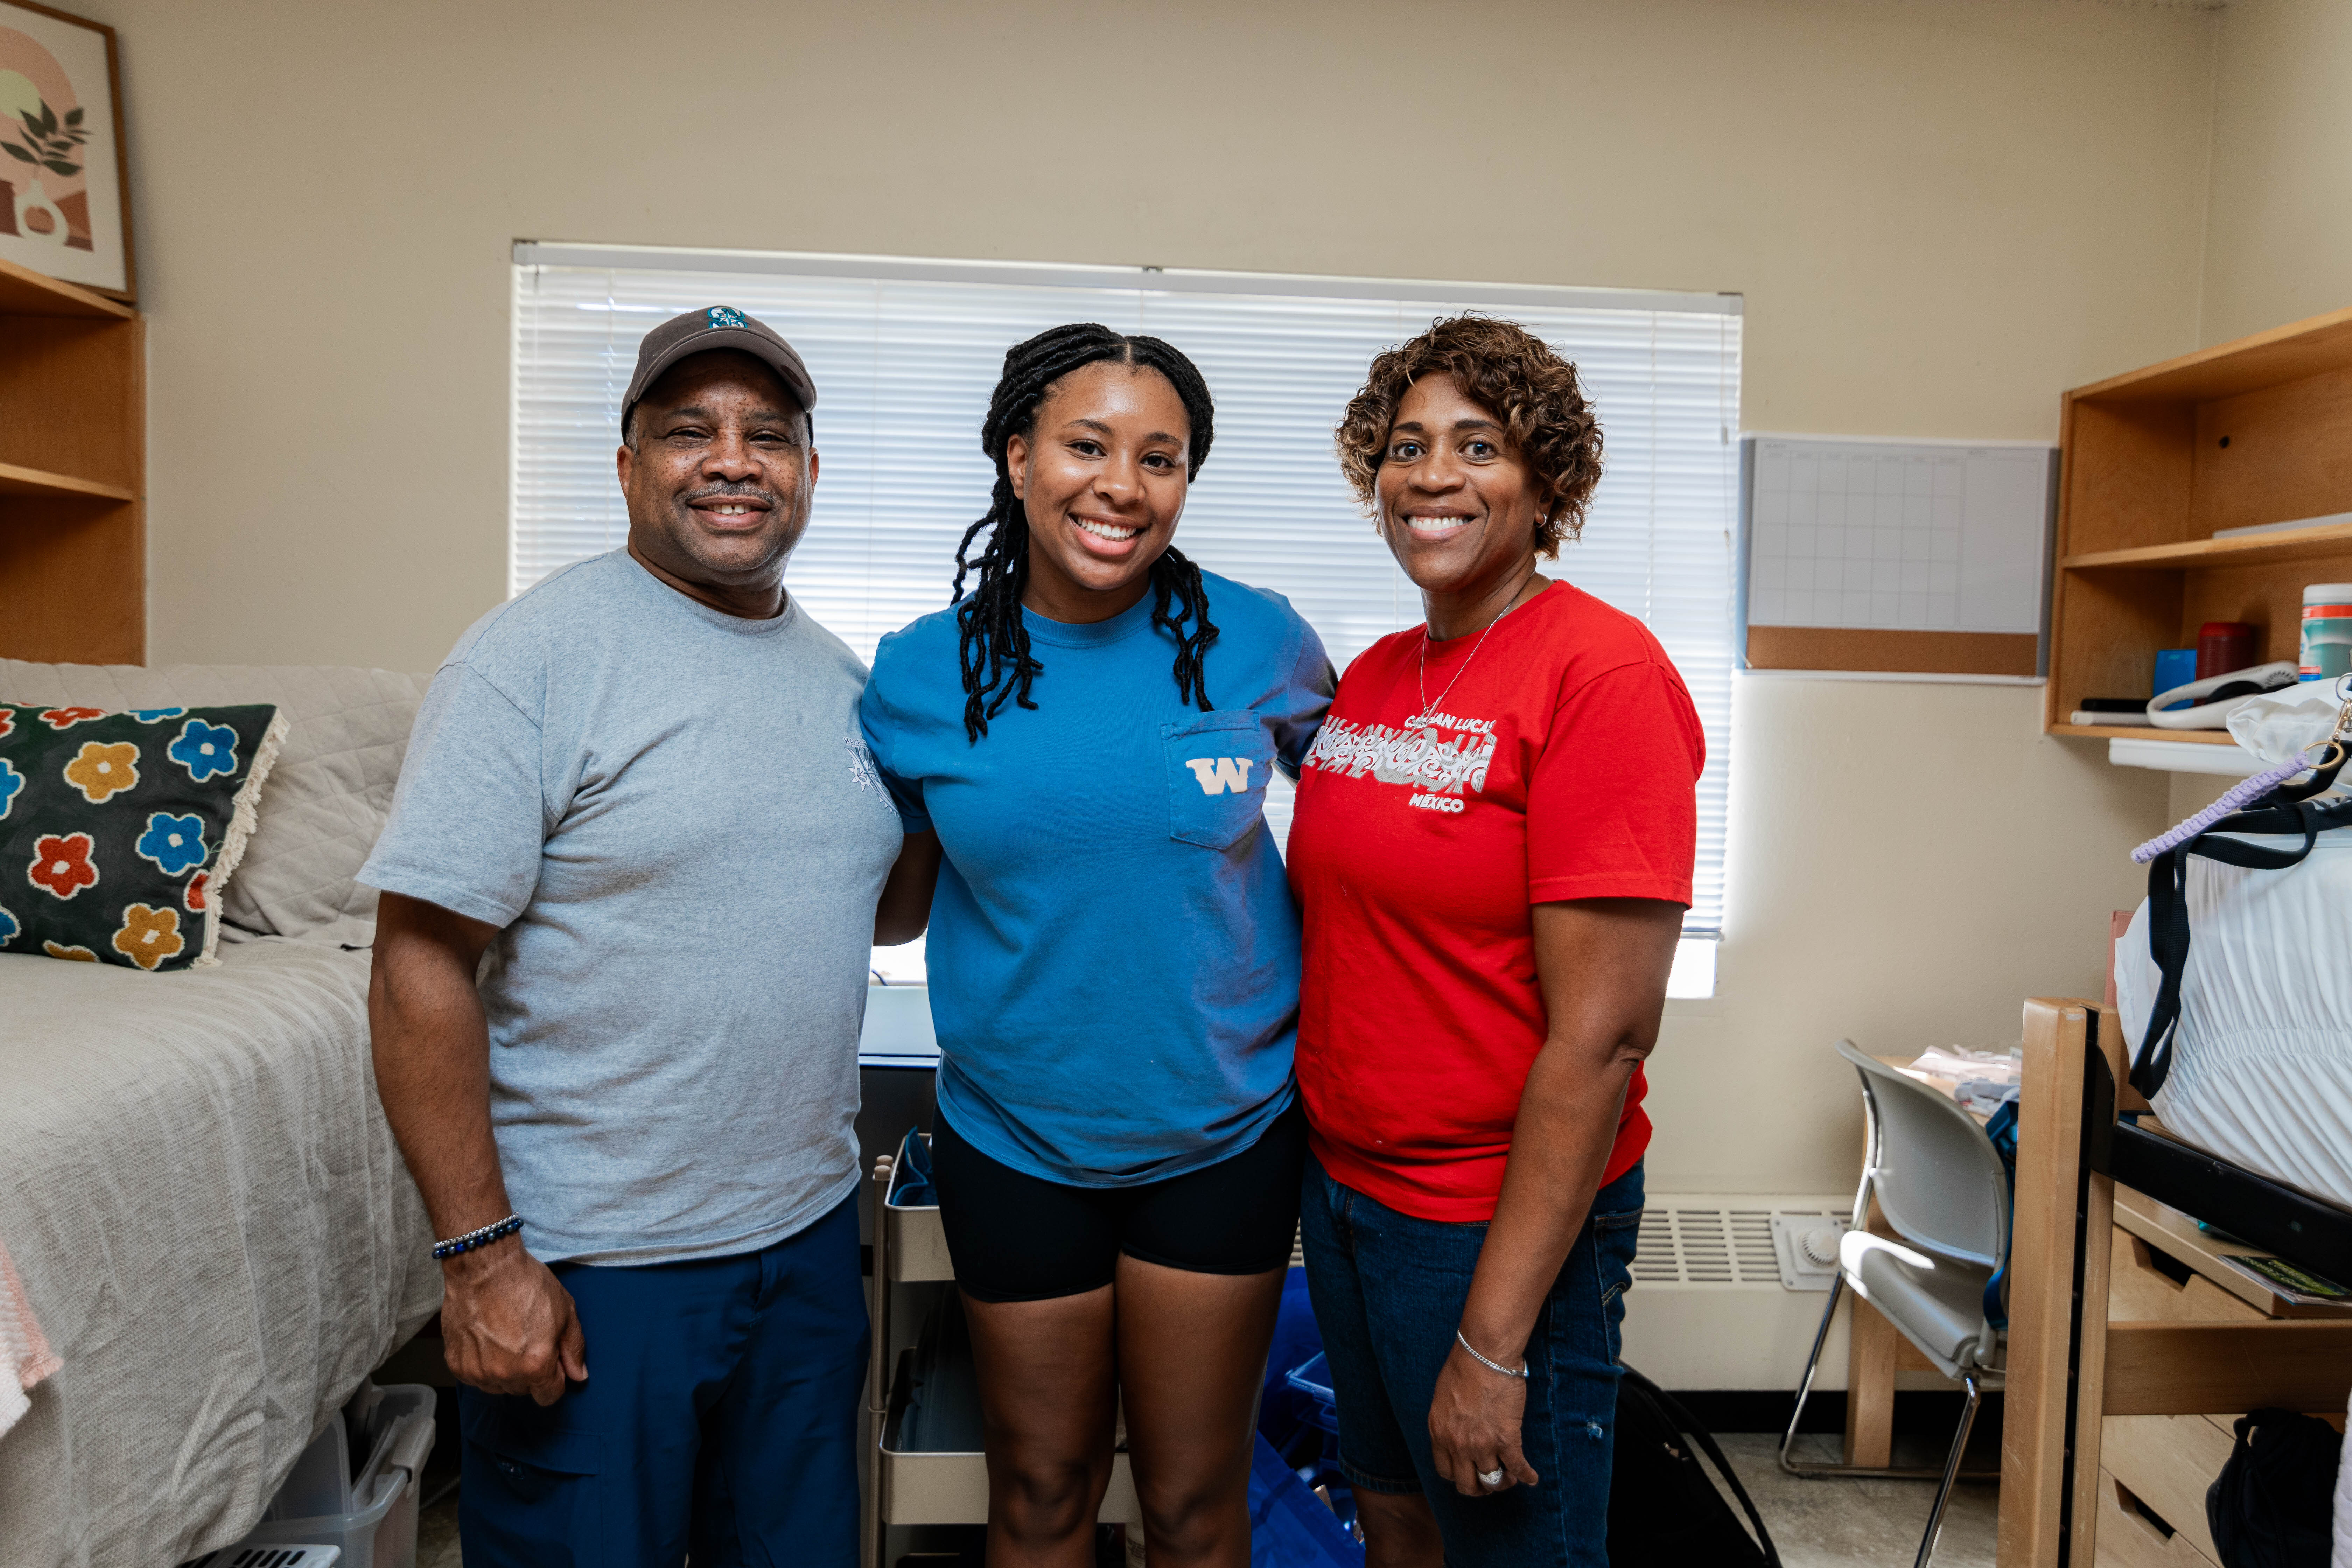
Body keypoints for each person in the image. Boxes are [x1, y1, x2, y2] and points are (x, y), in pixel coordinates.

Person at [361, 306, 935, 1567]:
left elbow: (884, 908)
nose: (732, 460)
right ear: (628, 466)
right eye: (689, 431)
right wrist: (480, 1262)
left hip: (802, 1245)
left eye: (765, 435)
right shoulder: (533, 662)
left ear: (809, 473)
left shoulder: (848, 683)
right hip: (598, 1266)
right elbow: (417, 964)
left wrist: (971, 756)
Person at [859, 323, 1334, 1568]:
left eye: (1161, 458)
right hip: (1015, 1142)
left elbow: (1368, 845)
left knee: (1191, 1503)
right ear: (1016, 458)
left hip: (1220, 1133)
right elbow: (892, 908)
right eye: (1086, 445)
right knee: (1042, 1496)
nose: (1123, 485)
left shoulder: (1258, 643)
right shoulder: (922, 674)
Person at [1286, 315, 1705, 1567]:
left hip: (1487, 1224)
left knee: (1512, 1549)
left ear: (1546, 481)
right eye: (1406, 447)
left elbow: (1605, 1036)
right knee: (1399, 1525)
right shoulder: (1373, 676)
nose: (1433, 476)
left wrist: (1492, 1341)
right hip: (1351, 1194)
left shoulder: (1599, 672)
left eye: (1480, 446)